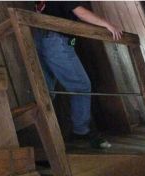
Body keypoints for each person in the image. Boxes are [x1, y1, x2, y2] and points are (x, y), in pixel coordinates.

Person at [34, 2, 122, 149]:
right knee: (81, 86)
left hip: (42, 37)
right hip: (56, 40)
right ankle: (82, 130)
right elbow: (78, 11)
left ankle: (47, 145)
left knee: (46, 91)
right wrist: (107, 24)